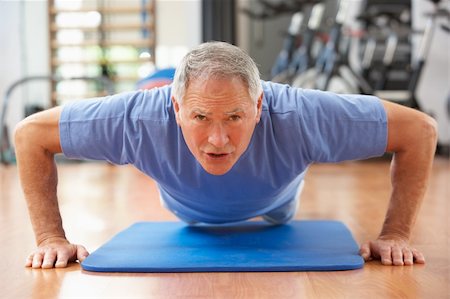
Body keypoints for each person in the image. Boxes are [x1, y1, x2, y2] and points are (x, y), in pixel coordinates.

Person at [14, 41, 437, 269]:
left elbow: (419, 130)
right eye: (200, 116)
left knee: (281, 205)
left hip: (278, 203)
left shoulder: (302, 114)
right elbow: (31, 135)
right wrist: (51, 238)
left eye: (235, 116)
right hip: (185, 208)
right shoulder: (135, 119)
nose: (218, 139)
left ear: (259, 106)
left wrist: (395, 234)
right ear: (175, 108)